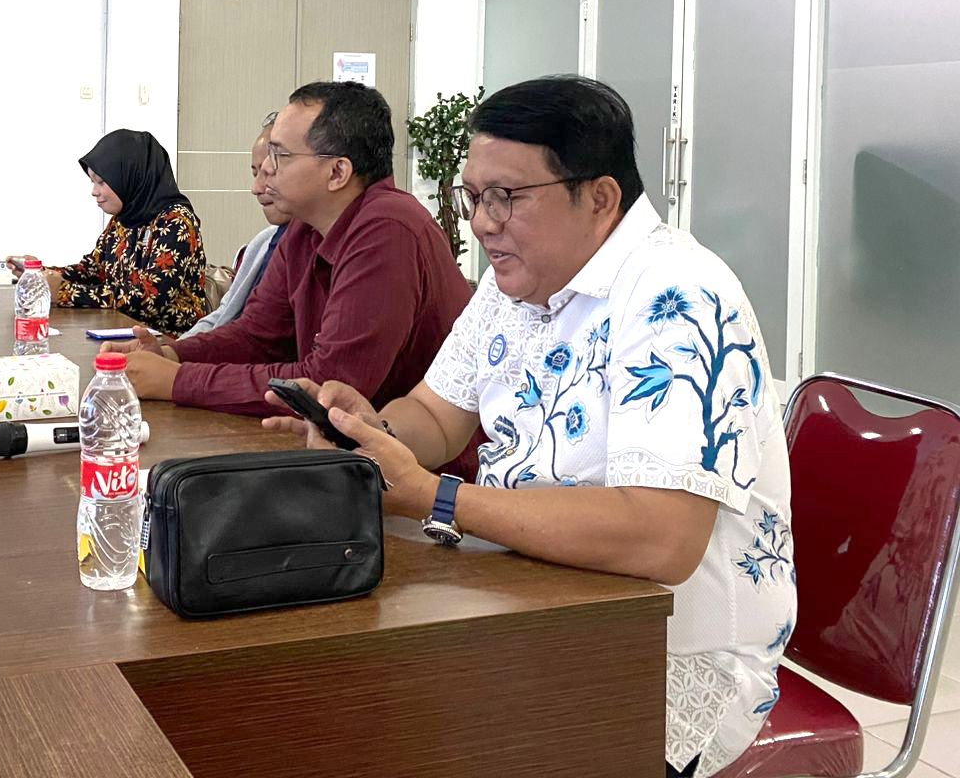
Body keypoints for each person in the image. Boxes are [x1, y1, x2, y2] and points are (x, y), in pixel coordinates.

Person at [265, 76, 794, 778]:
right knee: (330, 705)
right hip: (536, 598)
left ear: (599, 197)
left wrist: (438, 498)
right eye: (473, 196)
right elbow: (436, 414)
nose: (483, 223)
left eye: (506, 197)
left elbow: (661, 538)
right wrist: (369, 428)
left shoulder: (678, 297)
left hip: (663, 653)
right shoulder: (518, 276)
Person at [105, 82, 469, 415]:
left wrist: (175, 381)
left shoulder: (387, 229)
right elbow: (256, 336)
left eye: (280, 155)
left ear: (337, 172)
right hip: (336, 450)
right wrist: (171, 356)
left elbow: (329, 384)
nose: (265, 169)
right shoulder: (304, 228)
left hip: (413, 466)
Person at [13, 129, 208, 336]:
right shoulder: (123, 220)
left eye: (102, 182)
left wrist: (64, 292)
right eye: (92, 182)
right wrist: (41, 274)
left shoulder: (176, 221)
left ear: (130, 176)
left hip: (171, 345)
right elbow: (93, 271)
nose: (94, 191)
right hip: (124, 332)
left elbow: (150, 299)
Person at [177, 112, 290, 341]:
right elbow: (224, 314)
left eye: (270, 172)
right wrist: (174, 352)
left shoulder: (174, 220)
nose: (256, 187)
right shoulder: (262, 243)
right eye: (255, 172)